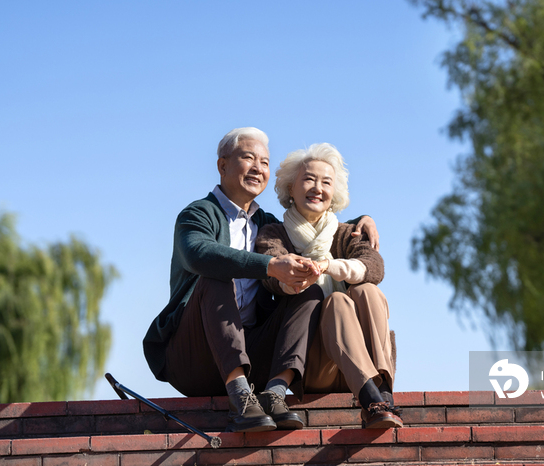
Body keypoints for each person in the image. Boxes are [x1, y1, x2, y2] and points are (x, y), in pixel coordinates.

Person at [142, 128, 378, 433]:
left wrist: (363, 218)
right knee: (215, 278)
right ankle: (240, 396)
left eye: (265, 162)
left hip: (254, 353)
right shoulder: (197, 214)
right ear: (222, 165)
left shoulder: (267, 224)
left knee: (308, 291)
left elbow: (314, 220)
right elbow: (199, 254)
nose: (258, 168)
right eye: (248, 158)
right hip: (195, 357)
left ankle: (274, 394)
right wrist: (269, 265)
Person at [255, 143, 402, 429]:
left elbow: (374, 266)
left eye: (326, 182)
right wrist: (295, 274)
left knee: (366, 289)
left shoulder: (346, 232)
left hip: (358, 361)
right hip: (310, 364)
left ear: (334, 193)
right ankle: (371, 399)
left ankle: (382, 392)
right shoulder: (274, 233)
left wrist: (329, 266)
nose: (317, 188)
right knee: (337, 302)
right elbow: (270, 273)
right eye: (309, 179)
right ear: (291, 187)